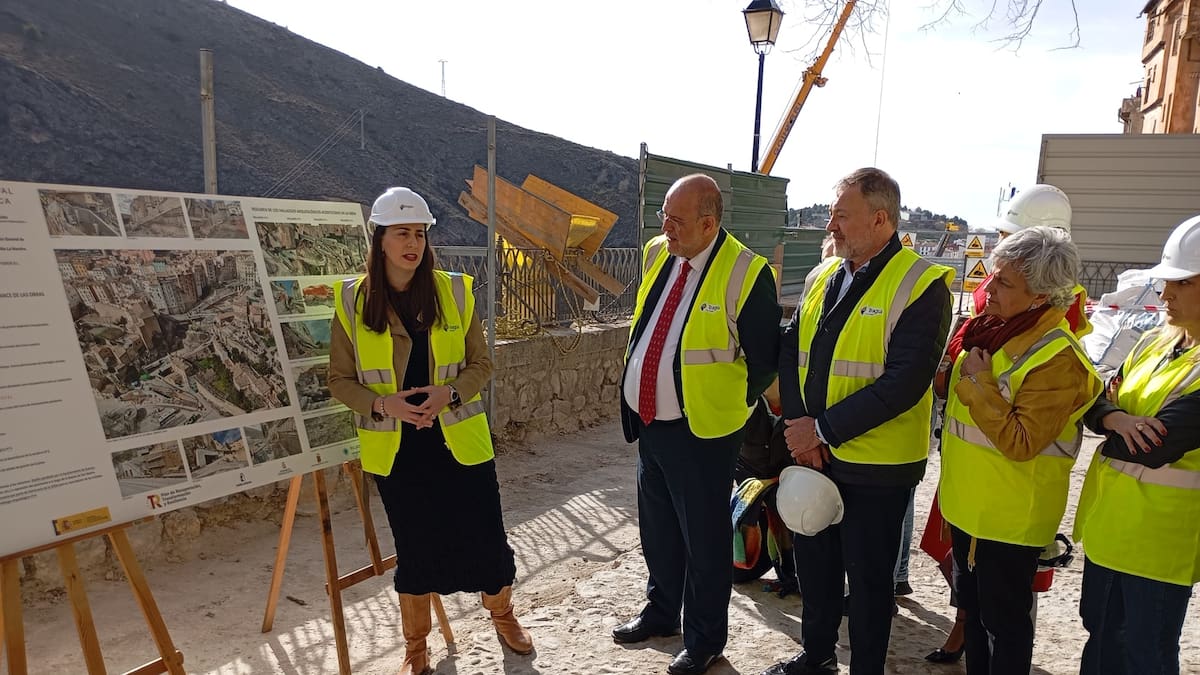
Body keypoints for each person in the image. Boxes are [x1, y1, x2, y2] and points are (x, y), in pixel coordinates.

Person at [327, 187, 532, 675]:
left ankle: (502, 616)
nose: (412, 243)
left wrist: (450, 394)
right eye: (402, 233)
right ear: (380, 240)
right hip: (399, 451)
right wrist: (384, 403)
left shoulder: (455, 290)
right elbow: (339, 380)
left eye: (419, 233)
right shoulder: (352, 300)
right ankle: (415, 647)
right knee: (416, 549)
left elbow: (482, 363)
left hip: (459, 440)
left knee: (486, 539)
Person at [764, 167, 953, 675]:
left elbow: (903, 383)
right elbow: (791, 352)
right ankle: (817, 654)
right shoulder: (823, 275)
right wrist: (801, 430)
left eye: (841, 216)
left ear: (880, 219)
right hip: (813, 455)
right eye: (832, 215)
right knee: (817, 569)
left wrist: (820, 431)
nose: (831, 226)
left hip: (878, 467)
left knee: (869, 583)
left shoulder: (922, 284)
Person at [613, 173, 780, 675]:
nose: (666, 227)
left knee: (705, 542)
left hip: (704, 433)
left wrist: (732, 408)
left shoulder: (747, 272)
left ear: (709, 223)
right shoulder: (658, 252)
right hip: (651, 424)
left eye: (677, 220)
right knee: (658, 530)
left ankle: (705, 639)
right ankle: (661, 612)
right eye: (664, 215)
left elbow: (765, 361)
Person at [924, 183, 1091, 663]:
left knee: (1004, 628)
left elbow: (1021, 441)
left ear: (1040, 296)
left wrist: (976, 384)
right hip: (972, 507)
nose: (988, 289)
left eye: (1003, 284)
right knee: (974, 617)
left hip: (1009, 518)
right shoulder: (991, 329)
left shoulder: (1058, 357)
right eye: (993, 277)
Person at [1074, 213, 1200, 675]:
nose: (1165, 293)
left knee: (1145, 654)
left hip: (1160, 545)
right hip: (1111, 530)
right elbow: (1090, 399)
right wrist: (1115, 416)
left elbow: (1153, 446)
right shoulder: (1154, 342)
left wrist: (1110, 420)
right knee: (1101, 641)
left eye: (1182, 283)